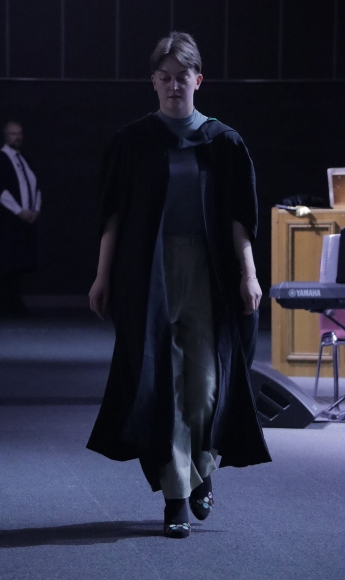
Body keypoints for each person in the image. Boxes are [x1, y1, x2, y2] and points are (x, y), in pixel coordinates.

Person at [87, 32, 271, 538]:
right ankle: (175, 500)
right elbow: (112, 216)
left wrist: (249, 273)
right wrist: (102, 275)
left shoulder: (223, 142)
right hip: (149, 273)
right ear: (153, 81)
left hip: (209, 272)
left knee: (206, 387)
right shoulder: (133, 141)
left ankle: (201, 470)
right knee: (163, 386)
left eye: (181, 77)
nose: (173, 86)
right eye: (164, 77)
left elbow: (240, 219)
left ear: (198, 80)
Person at [0, 121, 41, 316]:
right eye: (13, 134)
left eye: (19, 133)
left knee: (19, 264)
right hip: (7, 222)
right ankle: (3, 305)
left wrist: (35, 209)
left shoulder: (24, 160)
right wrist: (19, 211)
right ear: (6, 136)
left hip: (24, 221)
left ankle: (14, 303)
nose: (17, 137)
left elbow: (35, 186)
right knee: (5, 263)